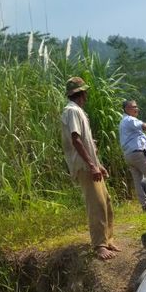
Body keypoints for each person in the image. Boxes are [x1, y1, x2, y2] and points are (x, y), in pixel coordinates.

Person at [61, 77, 119, 260]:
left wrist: (98, 165)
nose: (86, 96)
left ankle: (107, 240)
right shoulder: (71, 111)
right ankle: (99, 245)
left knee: (105, 201)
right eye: (85, 92)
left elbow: (86, 142)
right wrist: (92, 165)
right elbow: (76, 139)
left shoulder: (78, 111)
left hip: (91, 165)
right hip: (84, 167)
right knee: (96, 205)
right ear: (82, 93)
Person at [119, 100, 146, 211]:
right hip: (138, 153)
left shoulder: (123, 121)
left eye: (136, 106)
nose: (137, 109)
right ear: (126, 109)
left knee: (138, 180)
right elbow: (140, 124)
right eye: (134, 107)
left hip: (129, 155)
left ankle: (145, 205)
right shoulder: (129, 119)